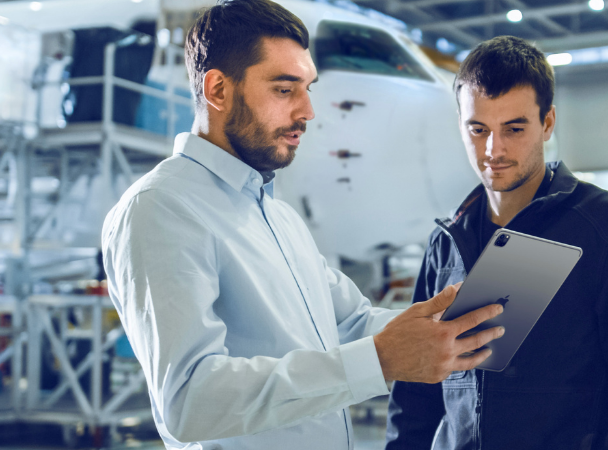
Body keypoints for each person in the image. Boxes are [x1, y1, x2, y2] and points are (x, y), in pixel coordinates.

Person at [100, 1, 505, 448]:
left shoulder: (277, 216)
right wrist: (379, 361)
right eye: (284, 89)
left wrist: (448, 329)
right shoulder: (163, 207)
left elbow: (351, 323)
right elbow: (189, 400)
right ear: (217, 89)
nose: (308, 111)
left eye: (308, 88)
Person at [385, 36, 608, 450]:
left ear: (547, 123)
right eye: (478, 129)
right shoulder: (447, 242)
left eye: (514, 129)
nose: (494, 149)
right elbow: (415, 396)